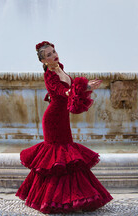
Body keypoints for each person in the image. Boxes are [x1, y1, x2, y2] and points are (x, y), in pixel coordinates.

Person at [16, 41, 113, 214]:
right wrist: (87, 87)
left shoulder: (60, 67)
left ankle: (71, 198)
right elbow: (64, 92)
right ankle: (51, 200)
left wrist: (84, 86)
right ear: (43, 61)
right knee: (56, 158)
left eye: (53, 52)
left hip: (62, 117)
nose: (54, 55)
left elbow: (69, 87)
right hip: (53, 119)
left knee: (67, 158)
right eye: (49, 55)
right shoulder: (49, 76)